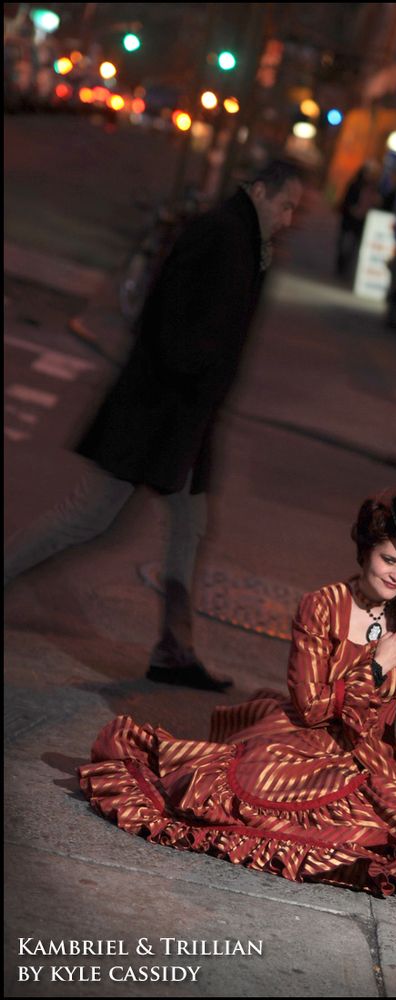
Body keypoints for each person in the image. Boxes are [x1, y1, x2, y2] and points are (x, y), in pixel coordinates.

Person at [4, 160, 304, 692]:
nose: (289, 219)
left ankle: (173, 648)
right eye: (285, 206)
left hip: (186, 420)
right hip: (157, 412)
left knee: (190, 523)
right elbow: (169, 321)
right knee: (88, 517)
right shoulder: (220, 234)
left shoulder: (247, 242)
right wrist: (193, 377)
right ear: (259, 191)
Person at [78, 490, 396, 898]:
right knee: (251, 796)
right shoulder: (323, 606)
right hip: (306, 741)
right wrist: (376, 666)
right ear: (366, 552)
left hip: (371, 756)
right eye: (389, 560)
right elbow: (311, 707)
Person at [335, 160, 382, 278]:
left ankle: (344, 268)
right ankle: (340, 265)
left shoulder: (374, 188)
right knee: (343, 244)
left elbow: (376, 203)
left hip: (361, 222)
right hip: (349, 219)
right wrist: (351, 209)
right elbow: (346, 200)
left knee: (352, 247)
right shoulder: (355, 185)